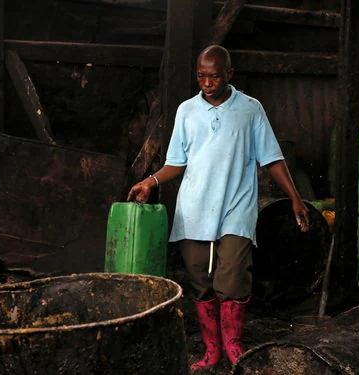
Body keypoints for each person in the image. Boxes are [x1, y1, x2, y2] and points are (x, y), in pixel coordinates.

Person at [127, 45, 310, 371]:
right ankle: (212, 352)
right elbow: (175, 164)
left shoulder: (251, 110)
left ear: (229, 74)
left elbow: (272, 159)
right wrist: (150, 181)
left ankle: (234, 347)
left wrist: (295, 196)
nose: (207, 82)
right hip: (194, 209)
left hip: (236, 208)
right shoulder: (187, 111)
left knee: (233, 277)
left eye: (214, 76)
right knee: (199, 277)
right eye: (201, 76)